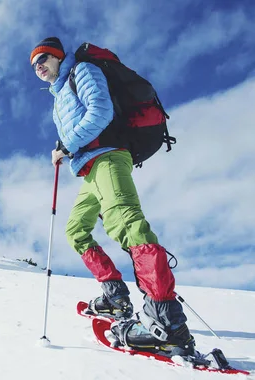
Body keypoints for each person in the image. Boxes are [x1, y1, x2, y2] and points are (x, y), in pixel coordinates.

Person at [30, 37, 195, 356]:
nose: (38, 66)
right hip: (89, 168)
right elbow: (79, 126)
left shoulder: (83, 70)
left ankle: (167, 324)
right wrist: (63, 149)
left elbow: (101, 113)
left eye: (44, 58)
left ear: (58, 56)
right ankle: (115, 297)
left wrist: (67, 146)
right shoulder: (60, 94)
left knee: (126, 224)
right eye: (34, 64)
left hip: (108, 156)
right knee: (76, 230)